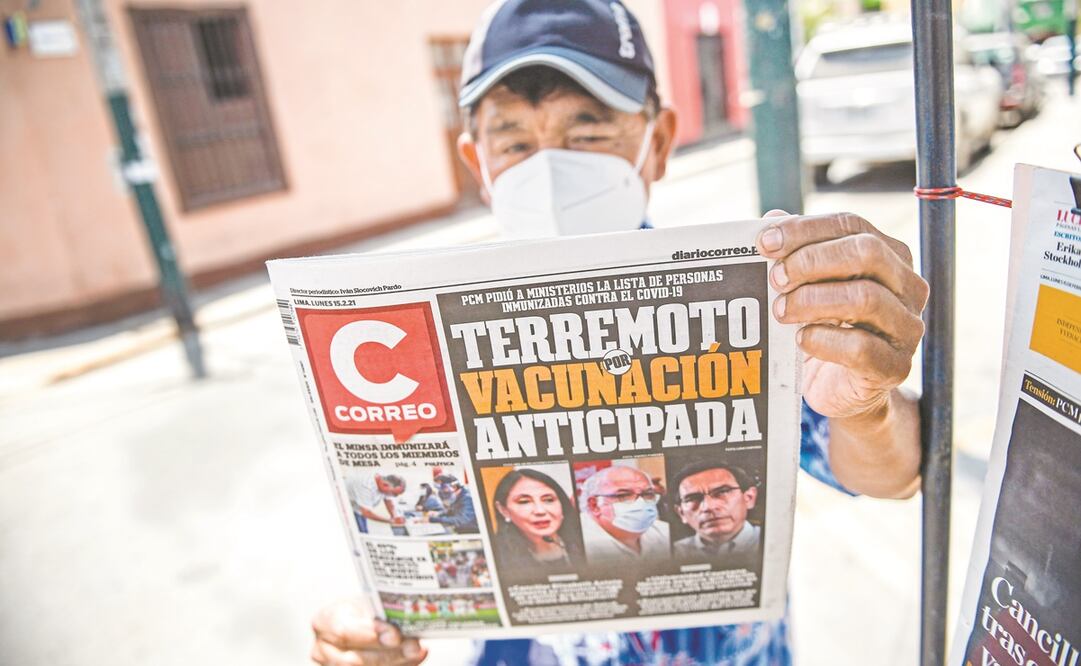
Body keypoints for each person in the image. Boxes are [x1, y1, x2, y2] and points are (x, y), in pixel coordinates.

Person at [309, 1, 928, 663]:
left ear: (655, 141)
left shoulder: (732, 306)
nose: (547, 168)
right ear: (476, 162)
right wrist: (372, 633)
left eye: (587, 131)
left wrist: (864, 407)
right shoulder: (420, 339)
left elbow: (889, 475)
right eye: (514, 142)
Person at [490, 468, 584, 577]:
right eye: (524, 502)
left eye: (548, 500)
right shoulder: (497, 558)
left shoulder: (587, 544)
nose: (540, 511)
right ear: (503, 510)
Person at [579, 465, 669, 564]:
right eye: (624, 495)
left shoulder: (665, 532)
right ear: (594, 505)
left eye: (647, 494)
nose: (641, 503)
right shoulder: (577, 544)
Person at [671, 461, 760, 559]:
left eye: (723, 492)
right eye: (692, 499)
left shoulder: (772, 540)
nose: (708, 507)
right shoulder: (671, 552)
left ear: (749, 498)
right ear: (681, 513)